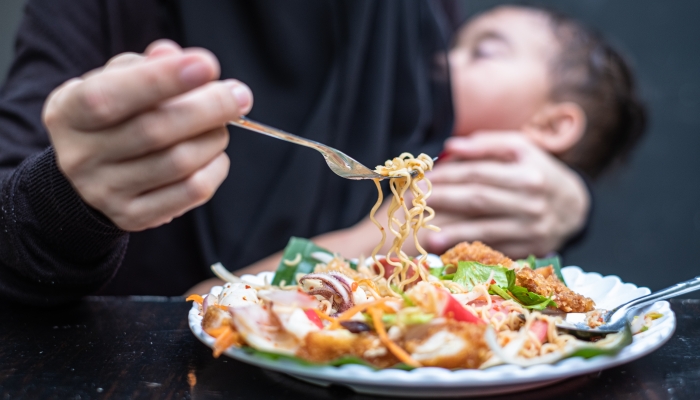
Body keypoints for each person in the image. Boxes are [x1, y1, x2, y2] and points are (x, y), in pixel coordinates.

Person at [0, 0, 591, 305]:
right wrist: (68, 196)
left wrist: (568, 205)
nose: (446, 67)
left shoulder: (417, 22)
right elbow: (207, 304)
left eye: (482, 53)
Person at [222, 5, 646, 287]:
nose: (441, 59)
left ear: (552, 124)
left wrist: (376, 235)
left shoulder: (452, 196)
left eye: (483, 52)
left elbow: (232, 294)